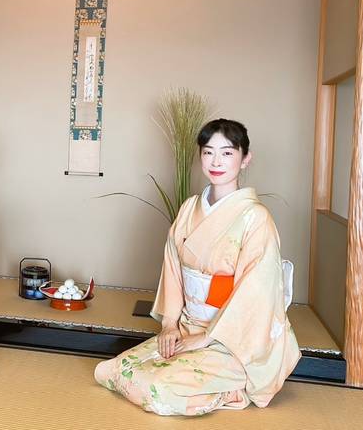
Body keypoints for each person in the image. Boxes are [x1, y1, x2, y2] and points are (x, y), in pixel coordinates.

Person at [94, 118, 299, 416]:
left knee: (159, 388)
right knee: (113, 371)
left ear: (245, 158)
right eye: (208, 152)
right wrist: (169, 326)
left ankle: (234, 387)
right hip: (187, 326)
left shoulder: (256, 218)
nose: (216, 161)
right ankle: (198, 375)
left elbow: (257, 292)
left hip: (232, 339)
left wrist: (205, 338)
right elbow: (173, 269)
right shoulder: (190, 208)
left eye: (227, 153)